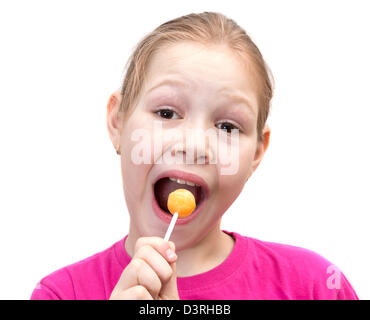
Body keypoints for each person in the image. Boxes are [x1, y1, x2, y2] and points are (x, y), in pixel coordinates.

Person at [30, 11, 358, 300]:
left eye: (227, 127)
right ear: (118, 121)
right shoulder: (61, 293)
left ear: (257, 153)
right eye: (167, 113)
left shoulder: (316, 286)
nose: (194, 145)